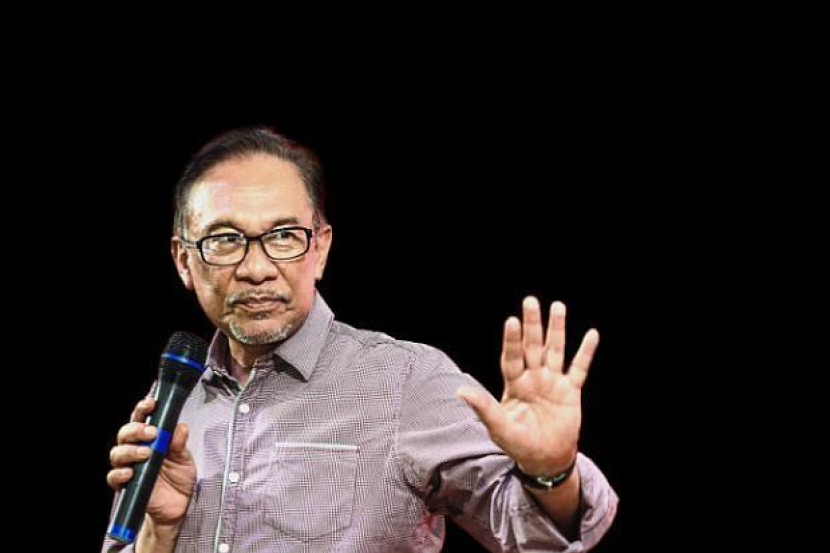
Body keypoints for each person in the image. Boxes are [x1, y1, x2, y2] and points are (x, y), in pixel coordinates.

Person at [103, 127, 618, 552]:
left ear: (321, 250)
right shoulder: (174, 401)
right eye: (225, 239)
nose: (256, 268)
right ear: (184, 261)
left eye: (283, 236)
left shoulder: (405, 380)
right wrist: (157, 533)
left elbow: (536, 534)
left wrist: (550, 473)